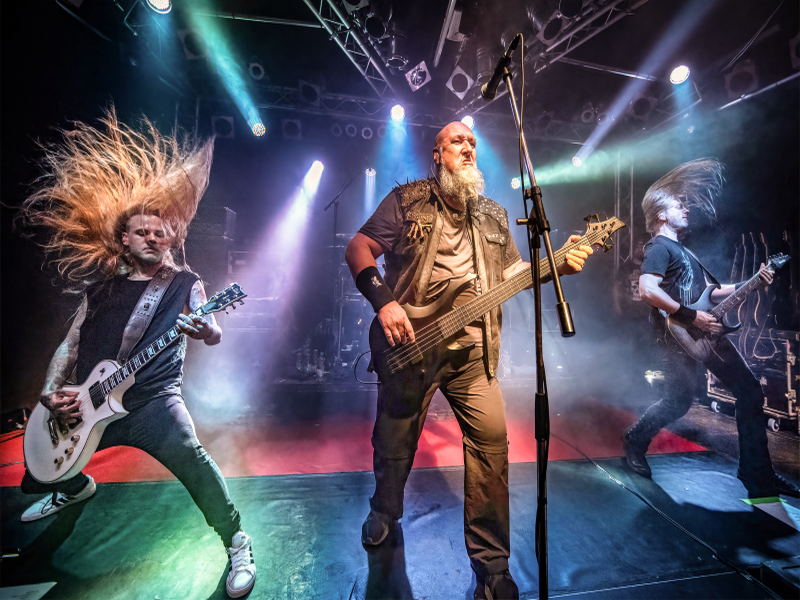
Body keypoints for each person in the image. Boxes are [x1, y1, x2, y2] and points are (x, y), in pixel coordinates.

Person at [345, 121, 593, 600]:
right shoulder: (407, 201)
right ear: (436, 154)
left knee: (491, 450)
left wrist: (556, 265)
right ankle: (384, 509)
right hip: (411, 346)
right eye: (457, 141)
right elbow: (359, 248)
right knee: (394, 442)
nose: (468, 148)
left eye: (473, 143)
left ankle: (493, 567)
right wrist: (384, 302)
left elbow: (515, 272)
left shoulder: (495, 216)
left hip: (474, 353)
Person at [16, 109, 256, 598]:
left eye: (160, 232)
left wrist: (206, 328)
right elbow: (71, 342)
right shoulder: (102, 285)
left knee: (192, 458)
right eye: (142, 232)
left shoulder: (185, 283)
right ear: (125, 239)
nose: (152, 237)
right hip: (89, 400)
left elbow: (210, 326)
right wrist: (50, 391)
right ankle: (74, 488)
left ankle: (236, 540)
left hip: (151, 401)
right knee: (37, 469)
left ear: (171, 238)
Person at [623, 158, 799, 500]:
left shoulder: (683, 250)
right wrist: (691, 316)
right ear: (661, 214)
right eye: (678, 204)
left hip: (705, 333)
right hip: (675, 337)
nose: (685, 208)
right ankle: (634, 438)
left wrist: (752, 282)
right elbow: (647, 289)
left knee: (749, 391)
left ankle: (758, 475)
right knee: (678, 402)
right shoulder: (659, 247)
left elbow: (709, 292)